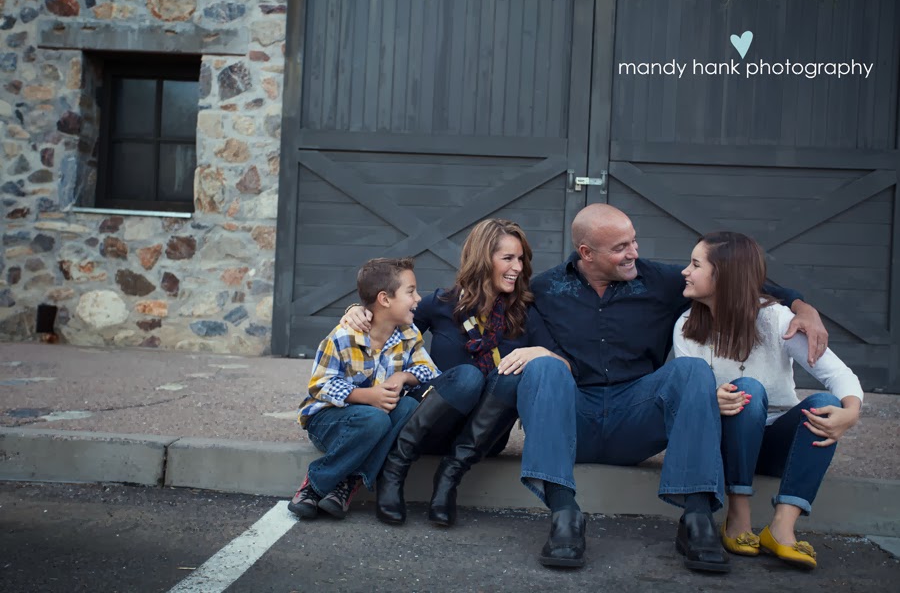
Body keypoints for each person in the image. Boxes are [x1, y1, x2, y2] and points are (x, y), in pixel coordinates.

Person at [462, 204, 829, 572]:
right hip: (575, 418)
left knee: (691, 371)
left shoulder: (660, 281)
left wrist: (802, 306)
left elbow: (737, 277)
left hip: (637, 417)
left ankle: (697, 518)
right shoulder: (546, 288)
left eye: (633, 241)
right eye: (621, 247)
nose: (634, 252)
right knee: (542, 366)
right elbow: (490, 306)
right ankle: (564, 515)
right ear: (587, 253)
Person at [342, 219, 574, 547]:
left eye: (521, 259)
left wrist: (538, 352)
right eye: (508, 258)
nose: (517, 268)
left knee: (513, 373)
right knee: (467, 376)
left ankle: (449, 477)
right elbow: (385, 329)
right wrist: (356, 310)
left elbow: (565, 367)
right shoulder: (440, 305)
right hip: (433, 426)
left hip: (484, 439)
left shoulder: (524, 313)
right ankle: (395, 469)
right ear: (482, 258)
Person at [673, 231, 863, 570]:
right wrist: (709, 401)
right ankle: (738, 519)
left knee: (822, 400)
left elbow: (839, 374)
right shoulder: (687, 326)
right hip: (725, 446)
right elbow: (685, 396)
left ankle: (782, 528)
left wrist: (851, 412)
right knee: (748, 389)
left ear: (725, 276)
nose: (685, 271)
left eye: (696, 264)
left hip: (776, 445)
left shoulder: (778, 320)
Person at [288, 257, 444, 520]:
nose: (418, 298)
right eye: (411, 291)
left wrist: (405, 376)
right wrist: (366, 396)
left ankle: (347, 483)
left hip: (375, 422)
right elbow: (319, 386)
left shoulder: (408, 335)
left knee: (407, 406)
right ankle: (315, 485)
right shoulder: (344, 336)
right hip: (328, 421)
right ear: (385, 299)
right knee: (375, 417)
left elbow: (431, 372)